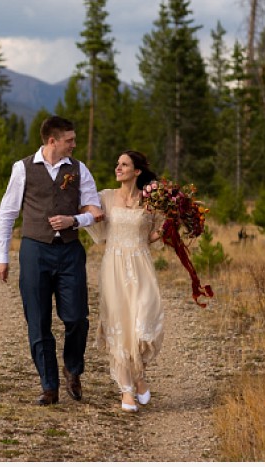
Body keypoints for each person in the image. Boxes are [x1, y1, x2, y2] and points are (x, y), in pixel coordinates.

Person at [0, 115, 102, 406]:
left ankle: (73, 368)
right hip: (34, 251)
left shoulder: (79, 169)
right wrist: (1, 257)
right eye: (69, 140)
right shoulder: (23, 168)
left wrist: (74, 220)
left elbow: (96, 211)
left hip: (69, 251)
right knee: (38, 321)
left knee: (77, 317)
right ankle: (49, 386)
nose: (74, 144)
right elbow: (7, 213)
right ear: (52, 140)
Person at [87, 150, 164, 413]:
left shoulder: (150, 200)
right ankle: (127, 389)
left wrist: (168, 228)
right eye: (117, 163)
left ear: (137, 171)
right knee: (120, 324)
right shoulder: (106, 197)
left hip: (141, 265)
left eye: (124, 164)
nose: (118, 167)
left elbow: (153, 234)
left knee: (143, 319)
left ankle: (139, 374)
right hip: (114, 267)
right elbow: (92, 220)